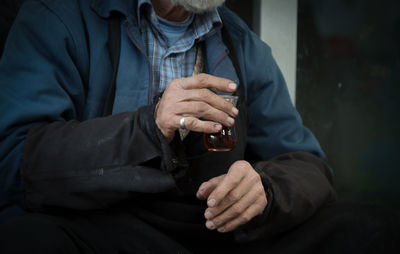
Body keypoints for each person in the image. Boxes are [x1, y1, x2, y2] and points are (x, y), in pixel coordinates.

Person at [0, 0, 397, 253]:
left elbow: (309, 164)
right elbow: (15, 163)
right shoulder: (59, 16)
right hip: (104, 226)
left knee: (366, 230)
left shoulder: (242, 44)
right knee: (27, 238)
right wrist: (148, 127)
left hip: (214, 229)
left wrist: (266, 189)